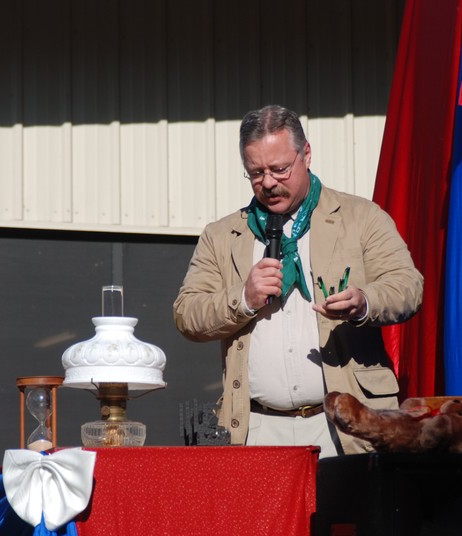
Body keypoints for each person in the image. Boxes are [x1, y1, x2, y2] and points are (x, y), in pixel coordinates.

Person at [173, 105, 423, 456]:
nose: (269, 183)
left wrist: (364, 302)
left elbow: (408, 288)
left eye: (280, 169)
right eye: (256, 173)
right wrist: (242, 298)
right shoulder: (222, 235)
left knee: (345, 514)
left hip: (343, 424)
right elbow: (187, 314)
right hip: (257, 425)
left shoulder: (360, 217)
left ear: (306, 154)